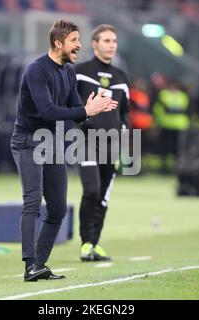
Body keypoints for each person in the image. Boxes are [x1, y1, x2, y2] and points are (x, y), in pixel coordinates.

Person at [10, 19, 118, 282]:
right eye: (74, 41)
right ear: (58, 43)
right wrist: (84, 111)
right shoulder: (36, 70)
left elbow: (74, 113)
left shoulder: (68, 72)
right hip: (29, 141)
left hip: (53, 143)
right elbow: (48, 112)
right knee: (33, 203)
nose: (79, 46)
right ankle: (29, 265)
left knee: (58, 209)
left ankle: (39, 264)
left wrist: (90, 111)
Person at [74, 24, 130, 262]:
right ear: (94, 44)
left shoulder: (121, 77)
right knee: (92, 190)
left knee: (103, 197)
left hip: (112, 144)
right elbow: (70, 106)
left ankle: (95, 244)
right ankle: (86, 243)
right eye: (106, 41)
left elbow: (124, 114)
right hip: (86, 141)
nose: (111, 45)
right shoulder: (80, 71)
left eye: (114, 41)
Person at [153, 80, 190, 174]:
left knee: (177, 148)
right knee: (166, 148)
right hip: (167, 124)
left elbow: (183, 108)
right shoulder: (164, 94)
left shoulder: (182, 95)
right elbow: (160, 108)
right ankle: (165, 166)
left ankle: (175, 166)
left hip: (179, 125)